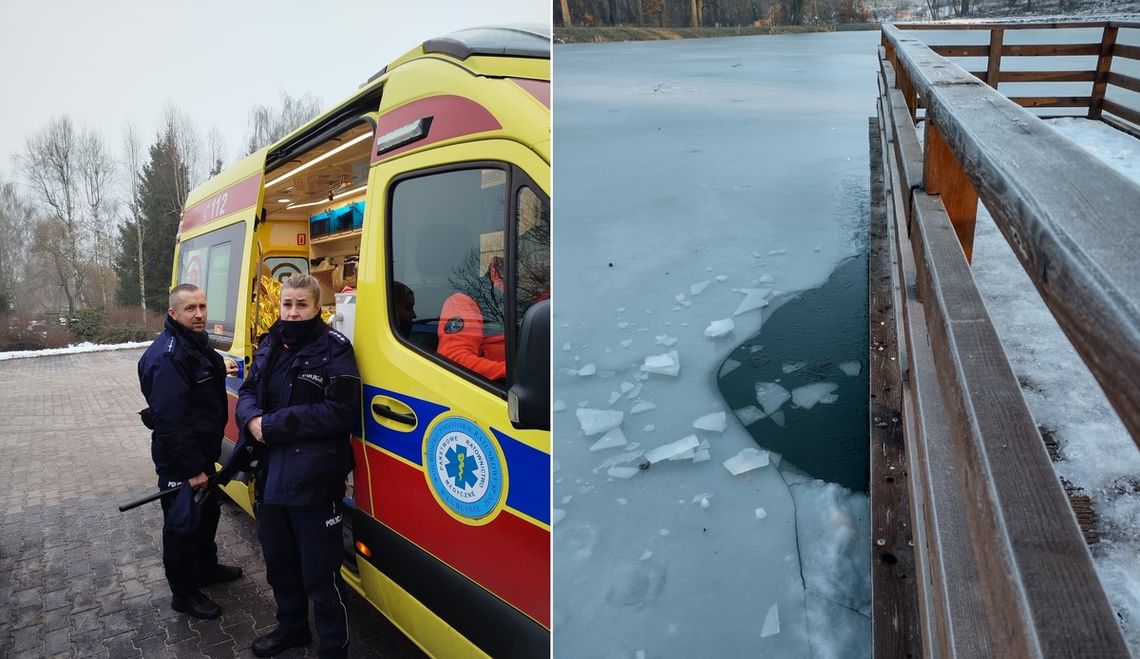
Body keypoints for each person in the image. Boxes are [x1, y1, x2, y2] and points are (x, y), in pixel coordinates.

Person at [236, 274, 361, 659]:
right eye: (287, 304)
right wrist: (251, 418)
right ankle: (292, 630)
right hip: (271, 475)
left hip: (314, 479)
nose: (292, 312)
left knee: (321, 576)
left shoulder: (335, 349)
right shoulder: (270, 343)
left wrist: (270, 425)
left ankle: (333, 649)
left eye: (301, 305)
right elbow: (247, 392)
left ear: (317, 308)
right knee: (280, 565)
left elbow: (340, 412)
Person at [137, 283, 243, 620]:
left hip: (201, 453)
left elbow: (200, 375)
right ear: (172, 313)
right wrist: (192, 470)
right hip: (181, 461)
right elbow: (171, 422)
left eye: (202, 306)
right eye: (190, 308)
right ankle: (183, 593)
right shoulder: (169, 356)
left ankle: (205, 568)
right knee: (182, 526)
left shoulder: (194, 343)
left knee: (207, 515)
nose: (199, 314)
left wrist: (219, 369)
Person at [437, 255, 507, 381]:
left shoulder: (528, 298)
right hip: (496, 390)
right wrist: (515, 373)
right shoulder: (463, 302)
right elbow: (453, 359)